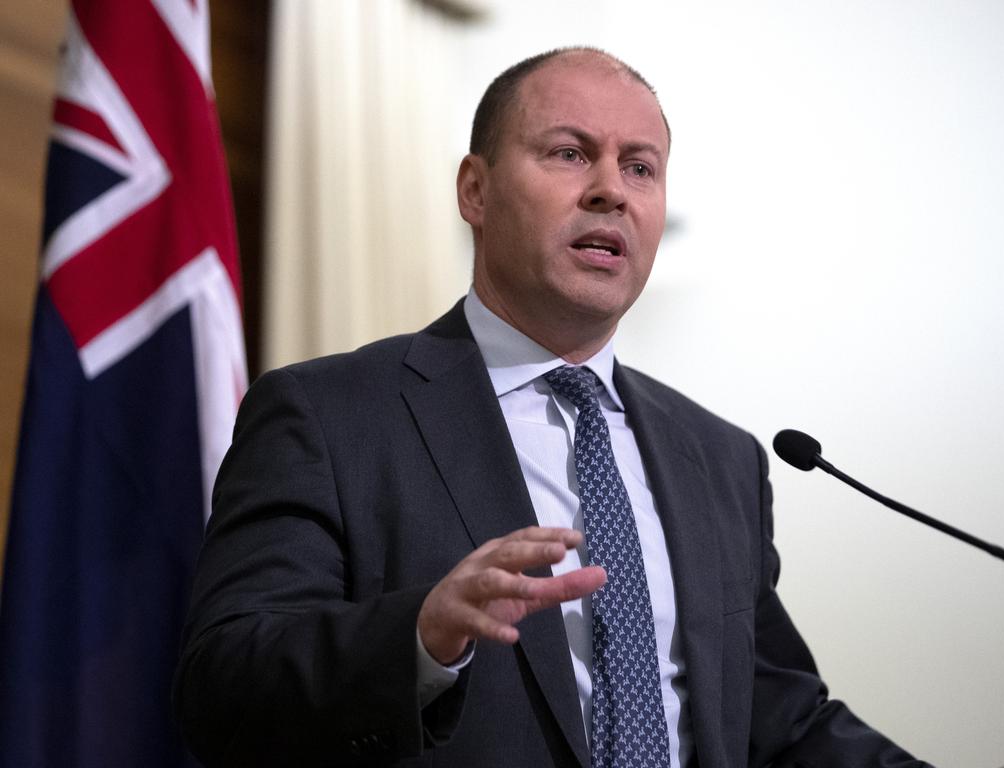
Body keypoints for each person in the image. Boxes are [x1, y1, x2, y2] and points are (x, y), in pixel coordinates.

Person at [174, 48, 931, 767]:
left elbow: (780, 724)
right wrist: (420, 636)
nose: (611, 189)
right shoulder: (328, 415)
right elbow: (223, 691)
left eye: (641, 167)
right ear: (475, 189)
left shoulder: (721, 459)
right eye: (569, 153)